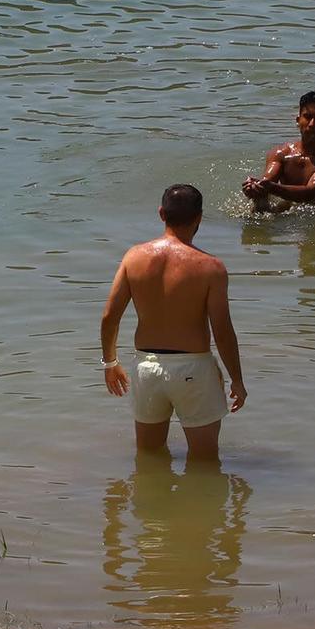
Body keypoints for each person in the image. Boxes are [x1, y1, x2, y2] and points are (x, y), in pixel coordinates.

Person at [99, 184, 247, 461]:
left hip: (146, 368)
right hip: (193, 370)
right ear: (199, 217)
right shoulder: (211, 267)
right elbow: (222, 331)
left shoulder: (134, 257)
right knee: (205, 463)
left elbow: (109, 317)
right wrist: (237, 380)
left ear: (161, 214)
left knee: (149, 458)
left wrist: (110, 363)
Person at [242, 92, 315, 207]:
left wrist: (272, 188)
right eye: (307, 117)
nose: (312, 124)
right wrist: (255, 188)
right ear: (298, 120)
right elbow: (267, 182)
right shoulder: (281, 154)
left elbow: (310, 193)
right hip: (291, 210)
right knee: (259, 205)